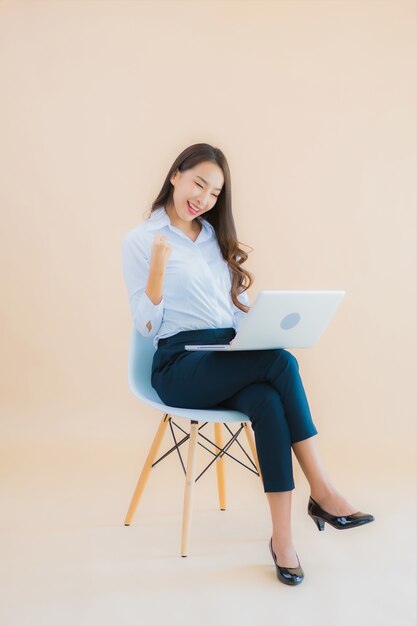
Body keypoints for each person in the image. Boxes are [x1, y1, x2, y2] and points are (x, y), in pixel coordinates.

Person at [121, 142, 375, 586]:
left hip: (225, 354)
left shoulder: (212, 238)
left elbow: (228, 313)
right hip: (178, 365)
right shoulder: (142, 240)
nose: (203, 198)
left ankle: (282, 541)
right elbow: (145, 327)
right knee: (281, 363)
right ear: (176, 175)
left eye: (215, 193)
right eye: (199, 182)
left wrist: (255, 329)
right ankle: (323, 490)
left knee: (266, 400)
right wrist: (158, 269)